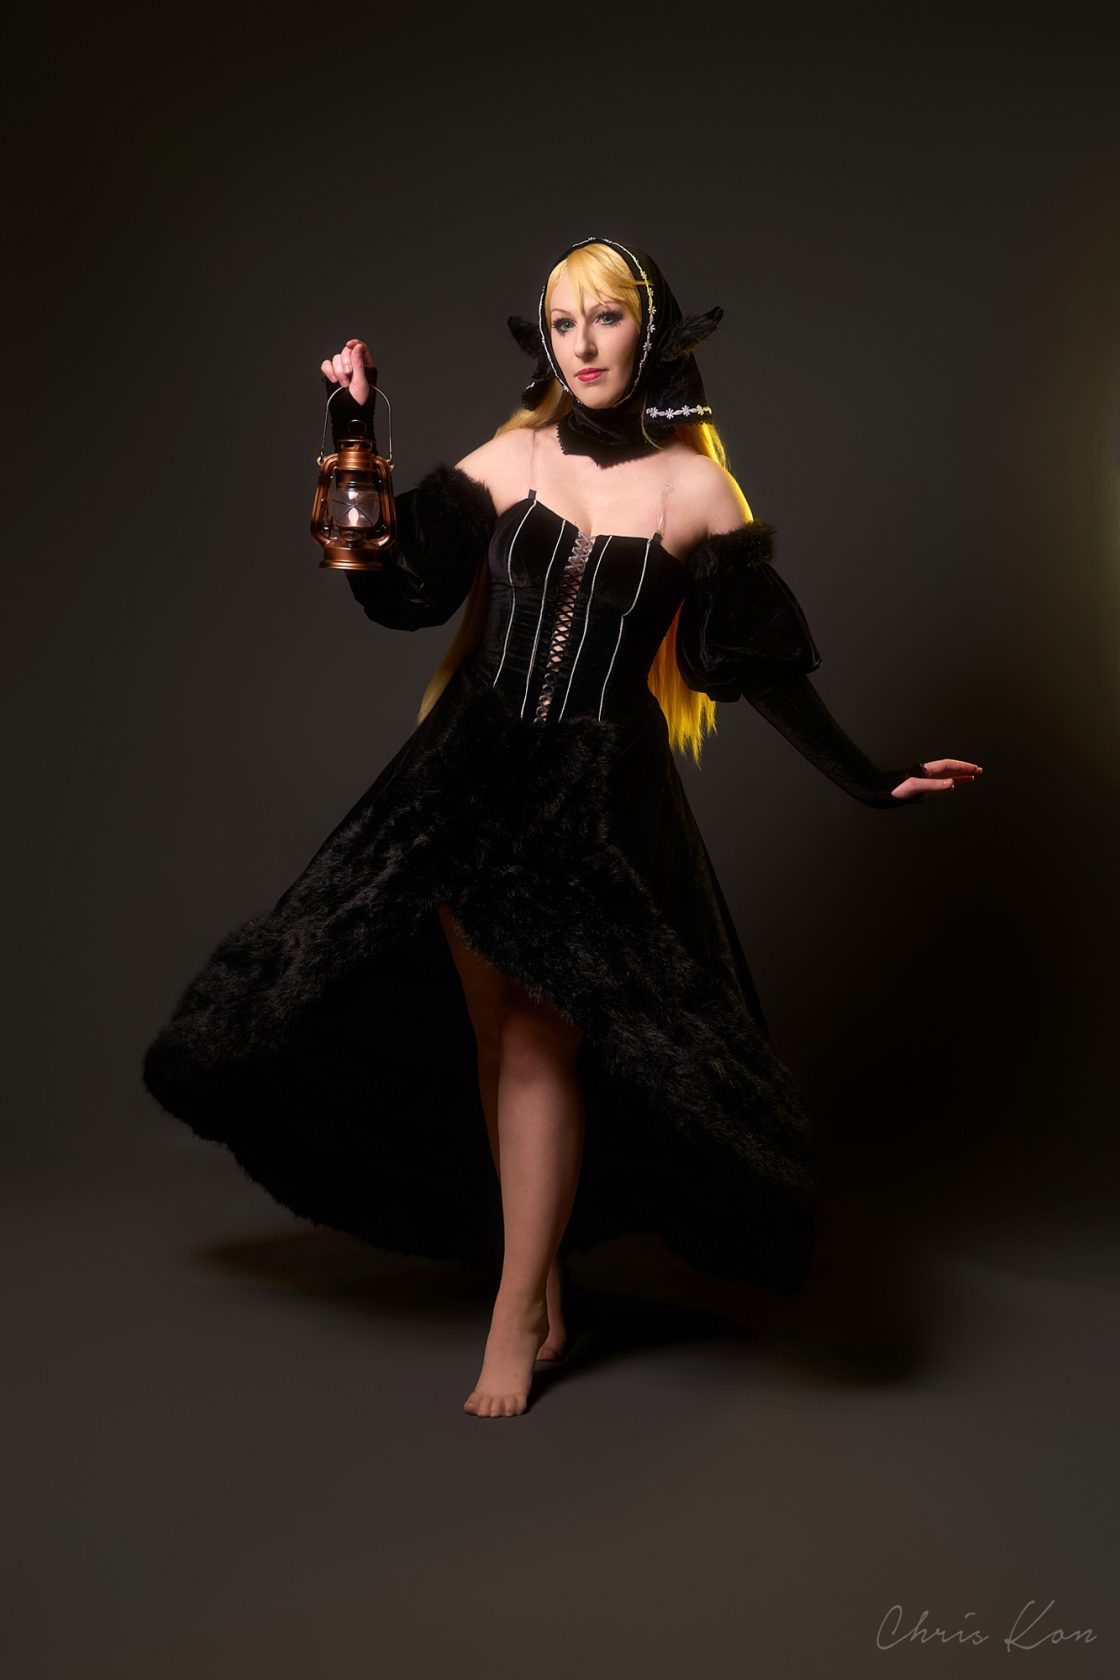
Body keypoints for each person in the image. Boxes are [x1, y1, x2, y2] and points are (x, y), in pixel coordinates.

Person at [141, 235, 981, 1419]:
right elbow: (396, 590)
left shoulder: (697, 491)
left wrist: (870, 778)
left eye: (606, 318)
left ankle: (512, 1310)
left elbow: (755, 668)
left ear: (652, 330)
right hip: (466, 780)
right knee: (497, 1043)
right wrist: (354, 431)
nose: (583, 344)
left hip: (591, 802)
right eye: (562, 323)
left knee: (541, 1048)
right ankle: (540, 1290)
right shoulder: (514, 457)